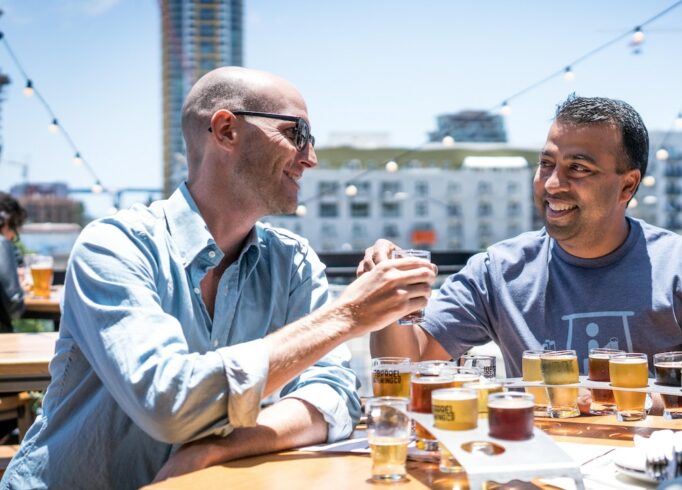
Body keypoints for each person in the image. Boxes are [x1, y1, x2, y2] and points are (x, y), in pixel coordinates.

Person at [1, 67, 436, 489]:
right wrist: (348, 314)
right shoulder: (114, 245)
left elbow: (335, 393)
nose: (310, 158)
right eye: (296, 134)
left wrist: (216, 450)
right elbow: (169, 404)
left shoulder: (293, 261)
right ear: (226, 131)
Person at [365, 95, 682, 388]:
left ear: (627, 185)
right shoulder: (499, 271)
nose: (552, 184)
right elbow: (407, 371)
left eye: (578, 168)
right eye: (547, 164)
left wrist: (622, 403)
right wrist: (387, 299)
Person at [0, 192, 27, 333]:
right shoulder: (1, 243)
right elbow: (14, 305)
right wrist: (19, 286)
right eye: (14, 226)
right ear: (3, 220)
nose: (13, 235)